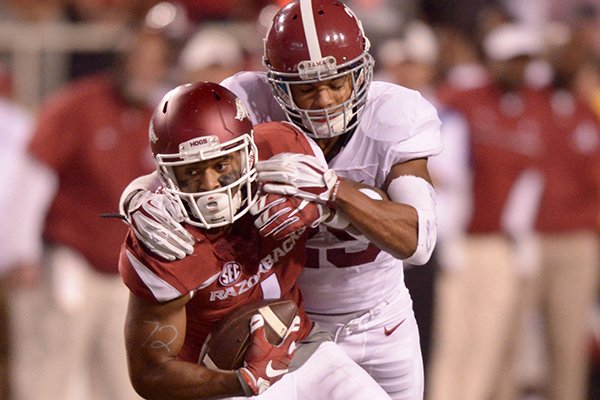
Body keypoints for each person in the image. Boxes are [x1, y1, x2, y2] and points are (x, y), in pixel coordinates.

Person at [119, 1, 442, 399]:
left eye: (336, 82)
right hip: (285, 322)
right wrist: (136, 195)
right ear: (275, 83)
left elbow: (419, 241)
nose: (324, 100)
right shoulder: (249, 106)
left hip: (381, 318)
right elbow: (183, 169)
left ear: (361, 73)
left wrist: (333, 192)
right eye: (306, 88)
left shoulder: (395, 114)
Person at [119, 80, 391, 399]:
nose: (211, 187)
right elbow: (150, 373)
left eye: (221, 165)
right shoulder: (166, 240)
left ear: (249, 152)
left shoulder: (284, 155)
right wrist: (243, 382)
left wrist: (329, 202)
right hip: (219, 379)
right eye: (191, 172)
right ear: (166, 176)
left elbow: (379, 212)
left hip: (301, 347)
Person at [24, 15, 184, 399]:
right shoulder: (78, 105)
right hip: (72, 258)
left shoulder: (166, 115)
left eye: (154, 59)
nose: (145, 67)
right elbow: (32, 180)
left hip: (132, 270)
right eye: (138, 57)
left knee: (124, 379)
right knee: (52, 373)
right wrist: (20, 250)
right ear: (120, 58)